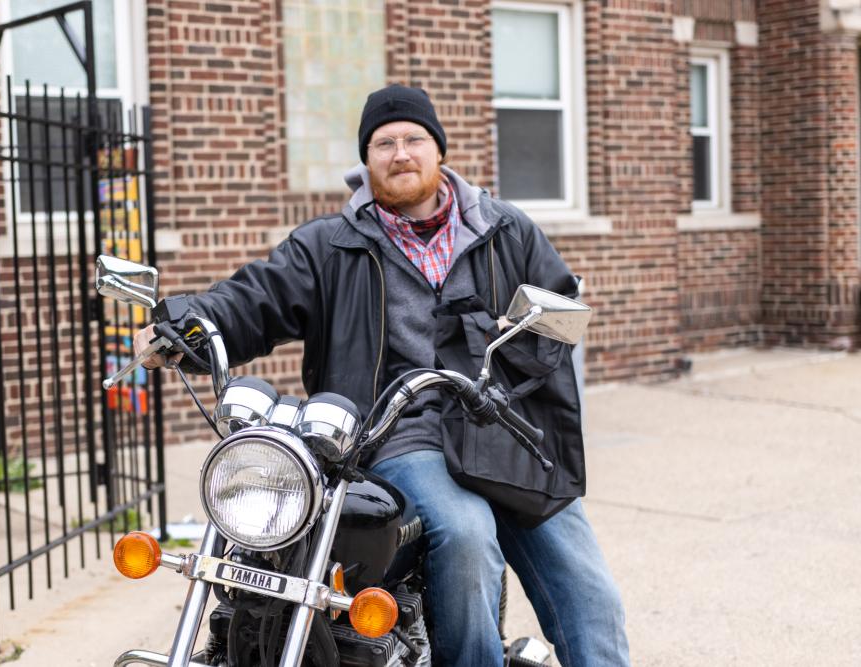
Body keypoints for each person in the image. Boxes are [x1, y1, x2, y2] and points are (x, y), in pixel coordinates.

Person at [135, 84, 630, 667]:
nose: (401, 153)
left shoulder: (505, 230)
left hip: (504, 431)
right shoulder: (330, 244)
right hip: (398, 432)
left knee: (588, 587)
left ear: (438, 150)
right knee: (467, 540)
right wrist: (184, 325)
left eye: (414, 139)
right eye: (384, 142)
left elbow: (559, 310)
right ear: (366, 160)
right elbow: (254, 298)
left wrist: (506, 361)